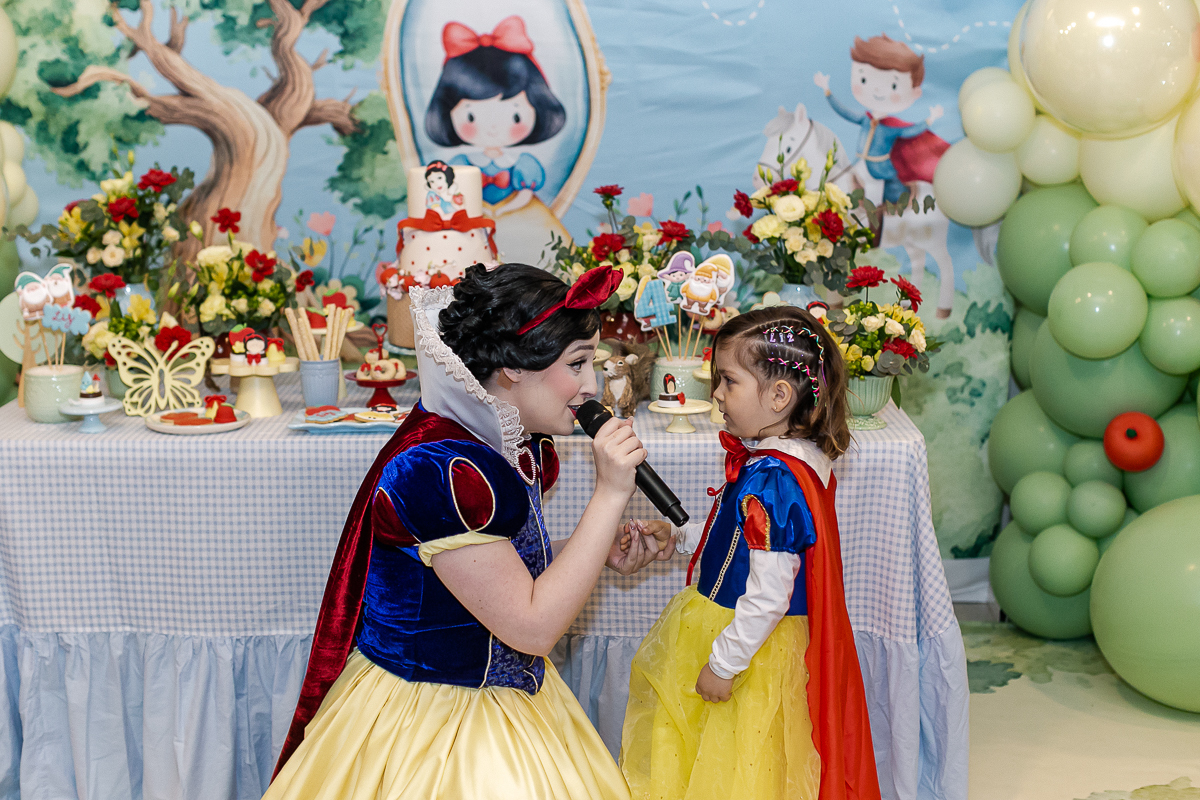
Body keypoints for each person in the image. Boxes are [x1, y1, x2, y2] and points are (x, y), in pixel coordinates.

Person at [267, 263, 671, 800]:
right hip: (431, 724)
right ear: (512, 367)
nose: (591, 386)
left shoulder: (494, 441)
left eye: (592, 364)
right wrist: (610, 494)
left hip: (503, 693)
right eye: (576, 364)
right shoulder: (445, 471)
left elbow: (501, 573)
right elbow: (532, 629)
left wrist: (596, 549)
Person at [619, 306, 881, 800]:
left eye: (728, 381)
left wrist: (723, 664)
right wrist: (679, 537)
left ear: (779, 397)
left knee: (734, 768)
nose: (717, 394)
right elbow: (738, 541)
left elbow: (769, 594)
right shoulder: (786, 461)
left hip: (745, 644)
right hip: (748, 635)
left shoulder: (773, 478)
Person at [424, 15, 566, 212]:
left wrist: (502, 212)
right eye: (471, 117)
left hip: (514, 216)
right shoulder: (461, 164)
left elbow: (526, 196)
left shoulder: (522, 164)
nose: (492, 128)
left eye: (516, 117)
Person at [813, 34, 947, 205]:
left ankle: (886, 212)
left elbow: (910, 132)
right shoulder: (865, 119)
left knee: (892, 196)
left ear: (915, 93)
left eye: (893, 85)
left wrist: (930, 119)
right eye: (863, 79)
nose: (877, 89)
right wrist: (827, 91)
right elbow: (844, 112)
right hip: (860, 163)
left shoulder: (892, 127)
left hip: (881, 169)